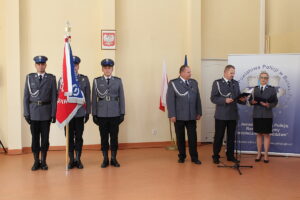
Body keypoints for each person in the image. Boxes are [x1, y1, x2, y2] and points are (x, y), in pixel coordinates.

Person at [23, 55, 57, 170]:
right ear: (35, 65)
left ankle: (44, 161)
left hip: (46, 113)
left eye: (43, 64)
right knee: (35, 139)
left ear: (45, 65)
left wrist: (53, 114)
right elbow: (26, 97)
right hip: (33, 113)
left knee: (45, 139)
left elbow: (53, 97)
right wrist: (26, 113)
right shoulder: (29, 78)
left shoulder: (51, 78)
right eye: (38, 64)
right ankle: (36, 161)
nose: (40, 66)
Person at [92, 58, 125, 168]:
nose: (107, 70)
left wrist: (122, 113)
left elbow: (122, 98)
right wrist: (94, 114)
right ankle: (105, 159)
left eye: (109, 68)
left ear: (112, 69)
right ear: (102, 69)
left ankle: (114, 158)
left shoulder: (118, 81)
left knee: (114, 138)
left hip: (115, 113)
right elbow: (94, 99)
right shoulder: (97, 81)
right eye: (105, 68)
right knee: (104, 137)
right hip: (101, 114)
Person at [210, 65, 247, 164]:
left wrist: (243, 100)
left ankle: (230, 156)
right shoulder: (217, 83)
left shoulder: (235, 83)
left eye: (234, 73)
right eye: (231, 73)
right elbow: (213, 98)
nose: (233, 75)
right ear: (225, 72)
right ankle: (216, 156)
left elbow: (238, 97)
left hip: (233, 114)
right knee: (219, 136)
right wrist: (224, 100)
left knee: (231, 137)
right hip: (221, 115)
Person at [59, 56, 91, 169]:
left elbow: (88, 96)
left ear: (78, 66)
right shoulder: (62, 80)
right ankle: (71, 159)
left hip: (79, 113)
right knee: (68, 137)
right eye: (71, 66)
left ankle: (78, 159)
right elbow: (61, 99)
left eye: (76, 65)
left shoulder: (84, 79)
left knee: (79, 137)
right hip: (68, 115)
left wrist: (88, 112)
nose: (74, 67)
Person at [166, 65, 202, 164]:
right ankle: (182, 156)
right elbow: (170, 100)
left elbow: (197, 98)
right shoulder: (174, 83)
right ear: (181, 72)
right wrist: (172, 114)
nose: (190, 74)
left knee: (193, 138)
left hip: (191, 116)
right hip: (179, 116)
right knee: (180, 138)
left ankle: (194, 157)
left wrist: (199, 111)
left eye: (190, 72)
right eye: (188, 72)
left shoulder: (193, 82)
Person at [249, 71, 278, 163]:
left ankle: (266, 154)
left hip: (267, 115)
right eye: (262, 77)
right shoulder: (255, 89)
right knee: (258, 134)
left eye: (265, 78)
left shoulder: (272, 89)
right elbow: (250, 100)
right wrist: (251, 102)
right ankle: (258, 153)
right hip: (257, 114)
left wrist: (268, 105)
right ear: (259, 78)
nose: (263, 79)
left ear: (268, 79)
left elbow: (275, 102)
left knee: (266, 135)